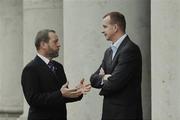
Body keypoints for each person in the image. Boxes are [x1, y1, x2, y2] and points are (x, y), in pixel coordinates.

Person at [21, 29, 91, 120]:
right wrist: (60, 94)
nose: (59, 44)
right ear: (43, 45)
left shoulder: (59, 67)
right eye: (55, 41)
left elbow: (63, 96)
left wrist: (77, 91)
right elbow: (33, 99)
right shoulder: (30, 69)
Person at [90, 12, 143, 120]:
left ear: (115, 28)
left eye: (105, 27)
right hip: (109, 113)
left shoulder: (130, 50)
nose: (102, 31)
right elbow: (93, 79)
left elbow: (115, 83)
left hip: (126, 114)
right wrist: (105, 77)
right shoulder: (108, 52)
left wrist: (105, 78)